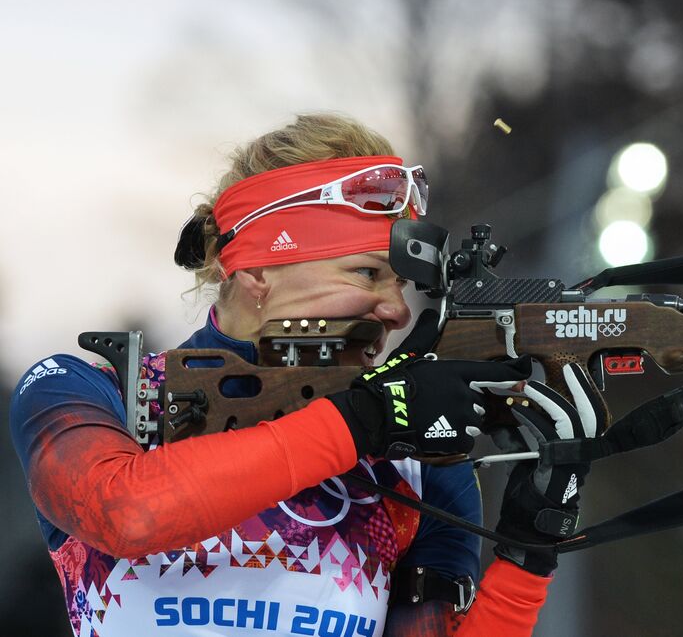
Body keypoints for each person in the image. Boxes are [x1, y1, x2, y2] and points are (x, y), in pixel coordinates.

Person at [10, 113, 587, 637]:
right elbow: (126, 513)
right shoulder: (92, 392)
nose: (397, 309)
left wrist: (528, 545)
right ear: (260, 269)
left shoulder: (412, 460)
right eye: (366, 273)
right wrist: (362, 420)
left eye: (400, 282)